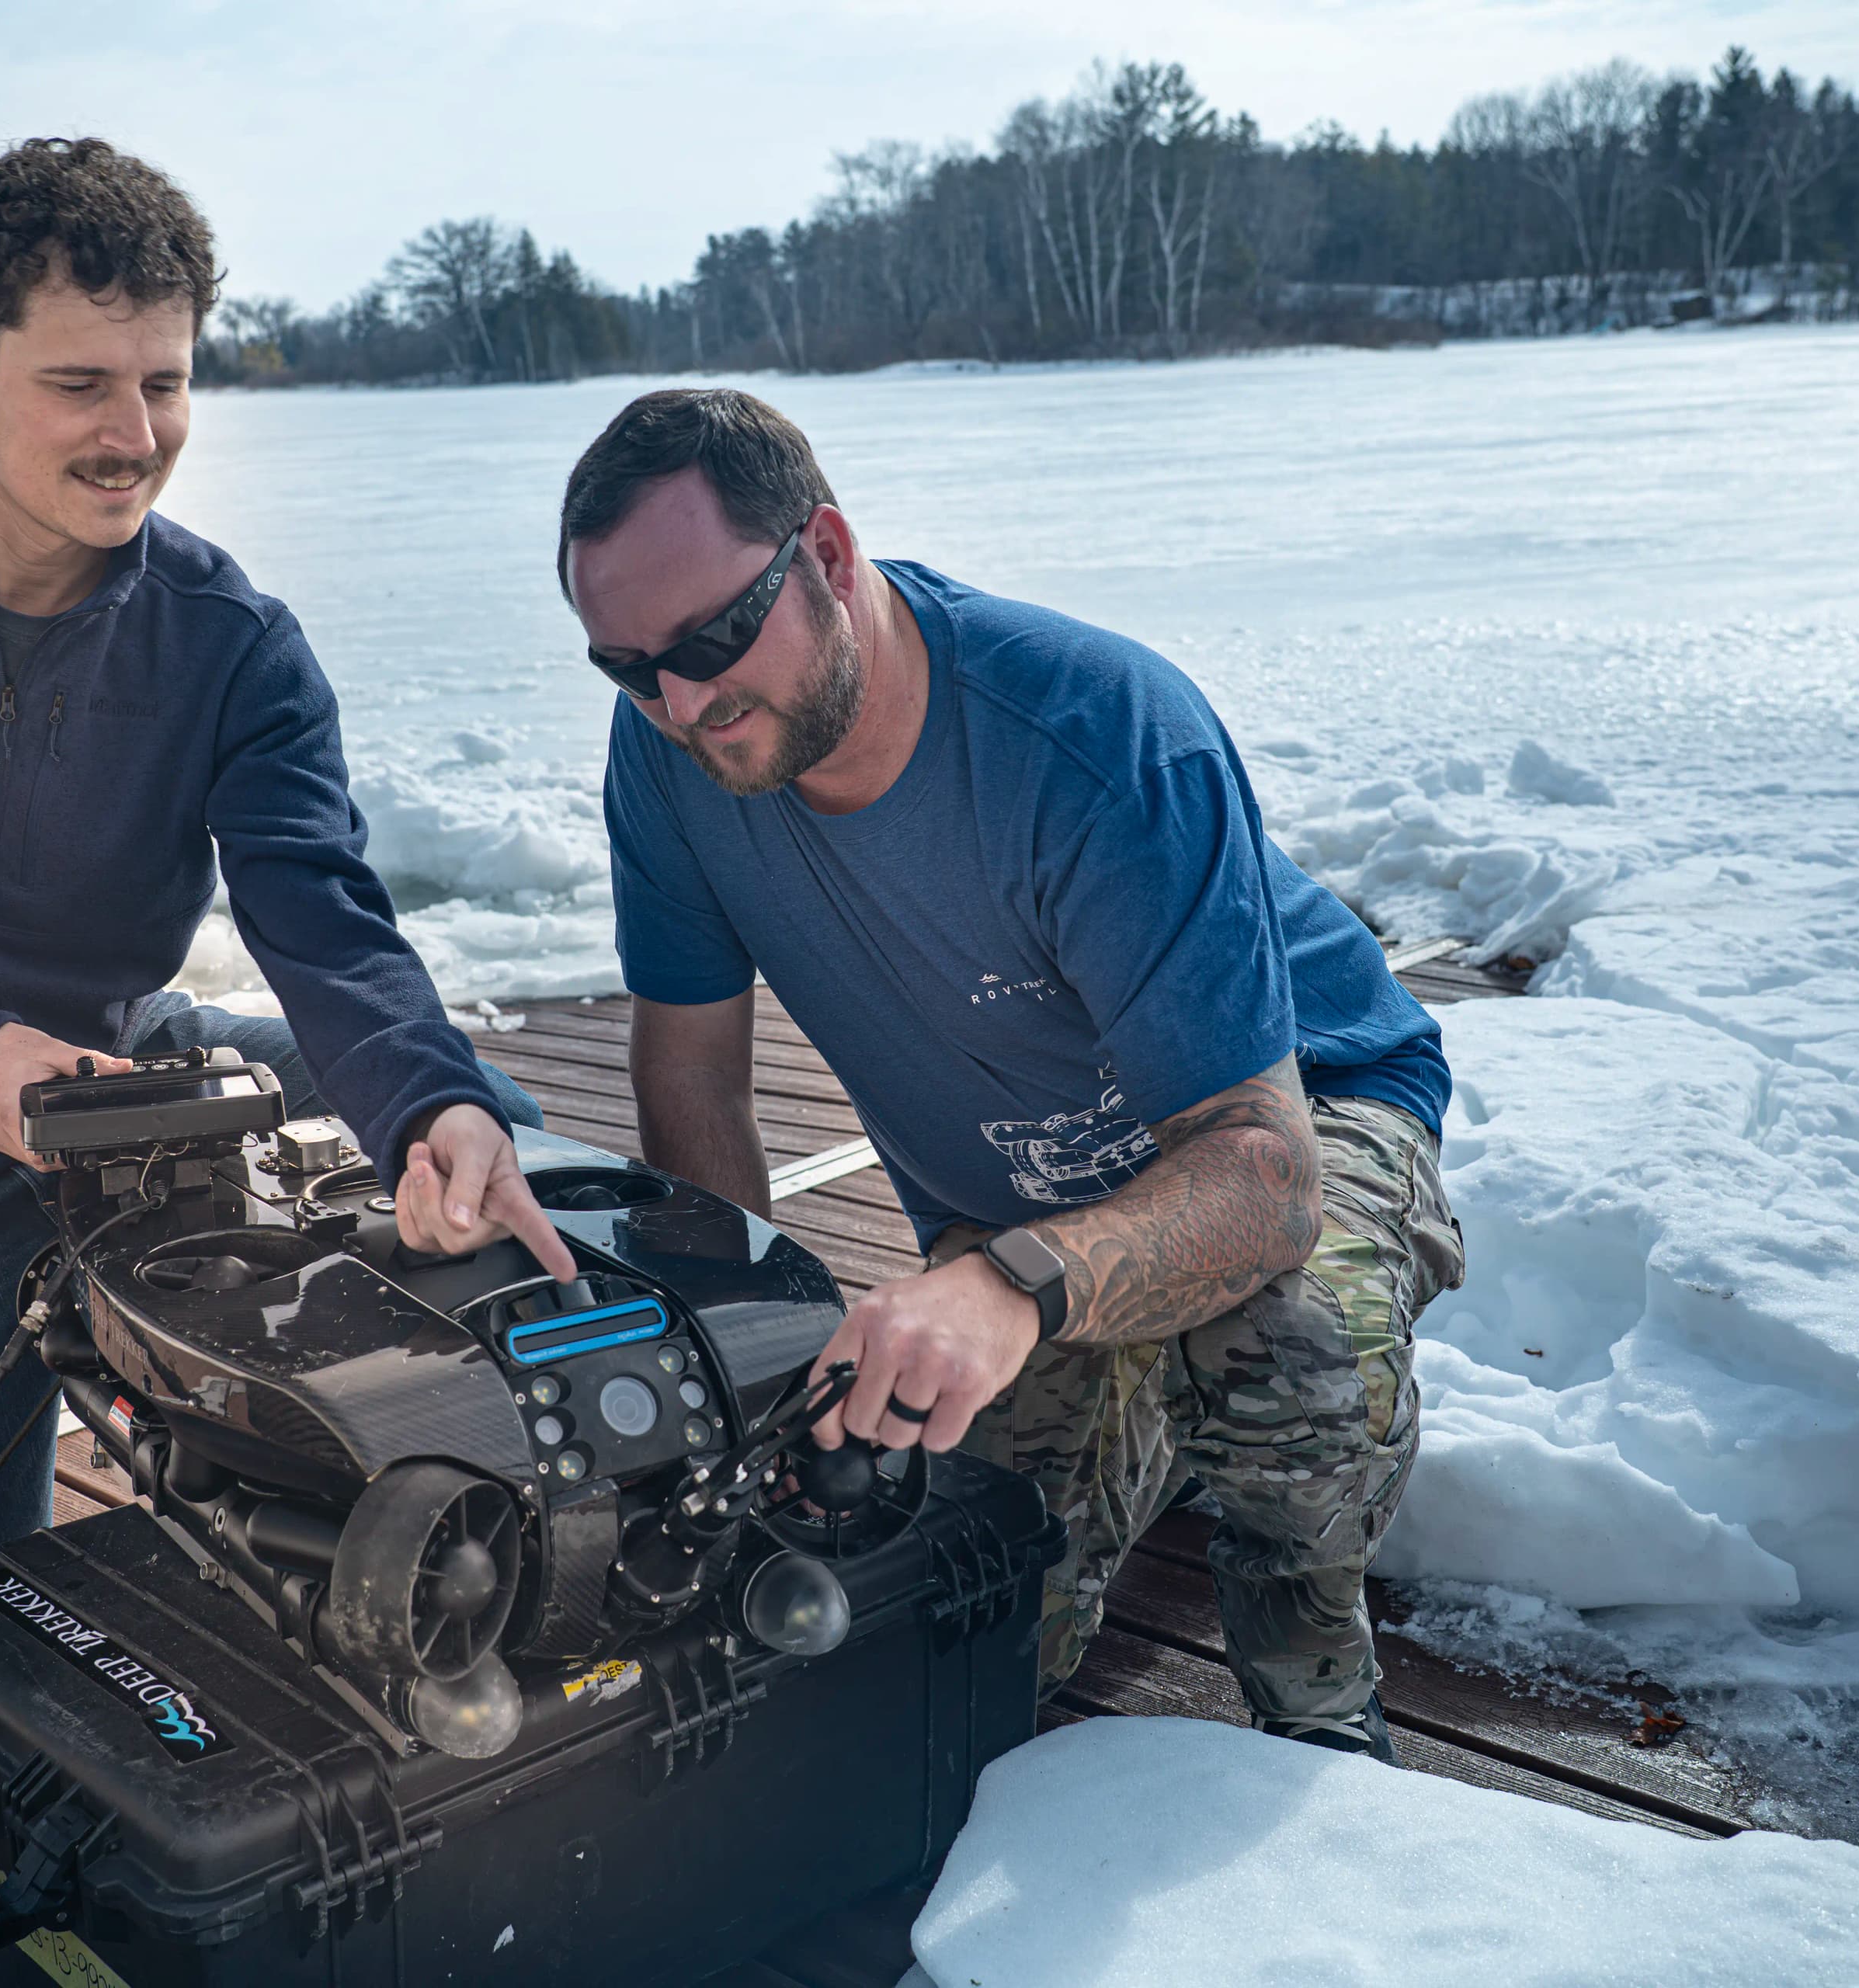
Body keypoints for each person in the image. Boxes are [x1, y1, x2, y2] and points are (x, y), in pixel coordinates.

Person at [0, 138, 572, 1616]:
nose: (136, 433)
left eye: (168, 382)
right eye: (81, 385)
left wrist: (429, 1105)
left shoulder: (231, 642)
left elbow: (320, 911)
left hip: (123, 1093)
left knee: (481, 1109)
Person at [561, 389, 1463, 1758]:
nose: (683, 701)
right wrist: (741, 1369)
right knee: (953, 1621)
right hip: (1021, 1210)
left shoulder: (1097, 735)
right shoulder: (673, 750)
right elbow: (693, 1074)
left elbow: (1265, 1182)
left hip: (1298, 1109)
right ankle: (1140, 1412)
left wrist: (1015, 1286)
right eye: (630, 667)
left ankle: (1322, 1717)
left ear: (831, 555)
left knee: (1285, 1349)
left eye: (717, 636)